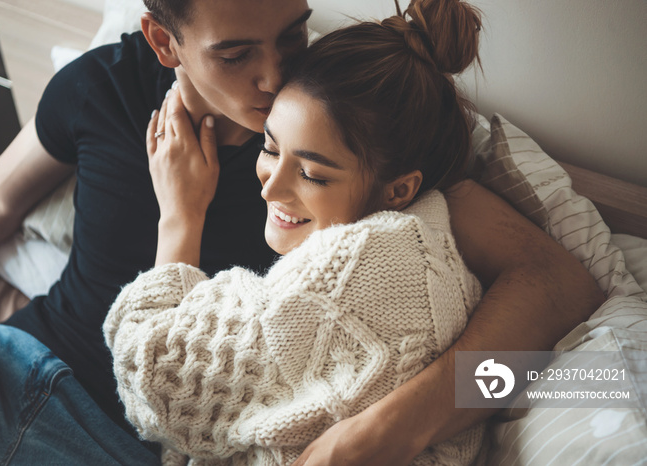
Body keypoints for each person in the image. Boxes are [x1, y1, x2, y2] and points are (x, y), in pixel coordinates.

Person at [0, 0, 603, 463]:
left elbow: (557, 284)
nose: (274, 74)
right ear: (163, 40)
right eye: (235, 54)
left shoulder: (358, 134)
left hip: (109, 425)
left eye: (291, 35)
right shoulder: (105, 86)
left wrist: (394, 428)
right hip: (16, 357)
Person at [103, 3, 490, 463]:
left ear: (401, 189)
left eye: (312, 173)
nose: (271, 186)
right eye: (269, 147)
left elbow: (149, 372)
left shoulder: (356, 265)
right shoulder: (427, 231)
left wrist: (179, 217)